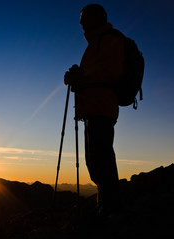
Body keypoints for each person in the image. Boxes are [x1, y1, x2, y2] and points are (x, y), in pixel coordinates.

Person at [64, 4, 124, 216]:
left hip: (101, 108)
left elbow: (112, 74)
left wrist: (82, 78)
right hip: (94, 107)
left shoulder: (108, 40)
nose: (81, 23)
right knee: (95, 160)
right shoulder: (96, 43)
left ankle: (109, 209)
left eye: (84, 18)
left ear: (96, 18)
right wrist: (79, 77)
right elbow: (99, 74)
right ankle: (107, 205)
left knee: (100, 159)